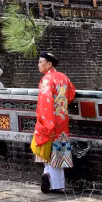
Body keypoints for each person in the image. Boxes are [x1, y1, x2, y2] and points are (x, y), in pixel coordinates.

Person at [31, 52, 75, 194]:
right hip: (62, 120)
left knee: (48, 149)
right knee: (57, 151)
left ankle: (52, 181)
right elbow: (71, 94)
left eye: (40, 62)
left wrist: (45, 122)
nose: (38, 65)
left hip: (49, 120)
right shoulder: (64, 78)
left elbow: (45, 103)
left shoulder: (46, 79)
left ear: (49, 64)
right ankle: (50, 177)